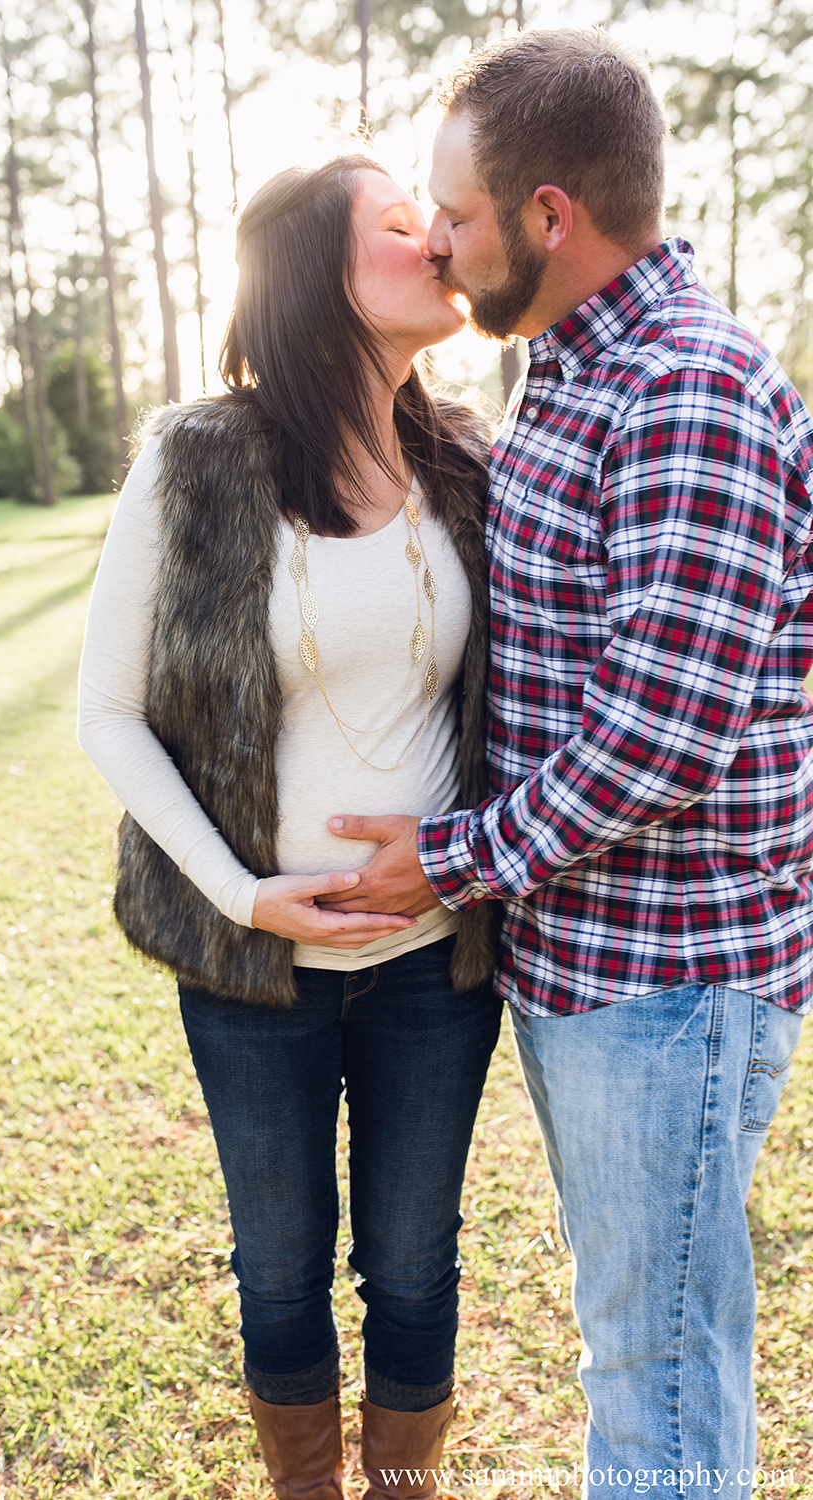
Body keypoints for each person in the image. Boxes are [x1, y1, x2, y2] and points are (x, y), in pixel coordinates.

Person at [319, 30, 813, 1499]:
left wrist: (450, 858)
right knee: (644, 1342)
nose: (442, 244)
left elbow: (661, 733)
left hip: (669, 981)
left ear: (550, 214)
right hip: (596, 965)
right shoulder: (574, 378)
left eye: (458, 216)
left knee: (654, 1368)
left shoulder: (685, 389)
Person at [77, 156, 501, 1500]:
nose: (437, 237)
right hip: (254, 975)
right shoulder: (196, 461)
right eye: (398, 222)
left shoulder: (469, 458)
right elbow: (108, 712)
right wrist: (240, 893)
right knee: (278, 1271)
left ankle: (400, 1488)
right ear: (317, 279)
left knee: (417, 1265)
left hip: (436, 964)